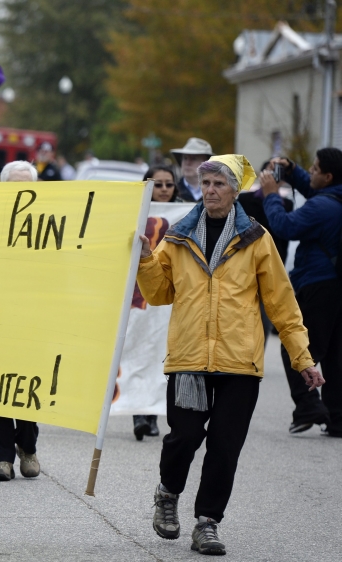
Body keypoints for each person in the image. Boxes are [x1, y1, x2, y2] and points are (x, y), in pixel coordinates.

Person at [136, 154, 322, 555]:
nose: (209, 191)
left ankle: (207, 522)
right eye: (205, 184)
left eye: (218, 185)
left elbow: (282, 305)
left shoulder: (256, 239)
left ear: (235, 191)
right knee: (184, 437)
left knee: (224, 445)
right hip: (189, 360)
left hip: (240, 362)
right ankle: (168, 493)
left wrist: (302, 357)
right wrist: (145, 261)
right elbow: (158, 293)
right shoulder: (179, 237)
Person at [260, 149, 342, 436]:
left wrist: (271, 194)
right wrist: (293, 170)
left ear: (328, 175)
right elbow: (319, 189)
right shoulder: (335, 195)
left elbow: (284, 226)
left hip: (318, 285)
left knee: (295, 346)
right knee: (334, 353)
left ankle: (308, 406)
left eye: (315, 168)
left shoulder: (322, 208)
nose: (311, 170)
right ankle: (337, 417)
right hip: (336, 284)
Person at [0, 160, 44, 481]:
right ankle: (0, 457)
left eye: (27, 185)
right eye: (14, 185)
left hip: (32, 317)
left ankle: (27, 447)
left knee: (29, 383)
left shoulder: (49, 223)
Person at [130, 165, 184, 441]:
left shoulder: (187, 216)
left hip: (168, 296)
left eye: (168, 184)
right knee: (137, 353)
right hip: (137, 298)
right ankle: (138, 411)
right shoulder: (133, 212)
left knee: (159, 356)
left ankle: (151, 414)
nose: (163, 189)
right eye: (158, 184)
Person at [170, 138, 213, 202]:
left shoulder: (215, 191)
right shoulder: (171, 192)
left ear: (206, 163)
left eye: (194, 159)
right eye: (185, 158)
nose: (188, 163)